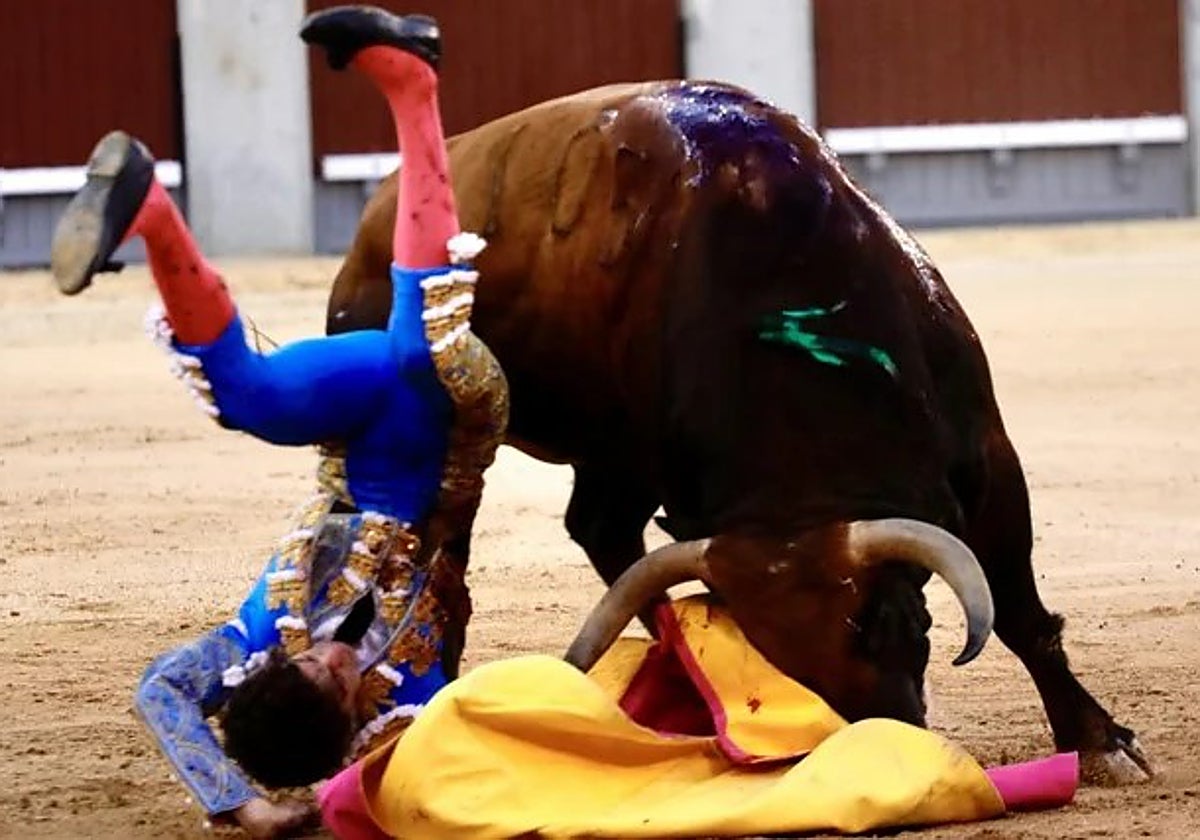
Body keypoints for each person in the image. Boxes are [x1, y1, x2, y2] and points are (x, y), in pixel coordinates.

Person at [49, 7, 507, 838]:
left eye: (306, 664)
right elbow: (412, 782)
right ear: (347, 726)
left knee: (247, 401)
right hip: (449, 426)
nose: (333, 661)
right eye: (335, 685)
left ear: (273, 663)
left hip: (352, 431)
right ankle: (414, 87)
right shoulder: (406, 706)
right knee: (423, 351)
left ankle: (151, 208)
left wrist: (240, 803)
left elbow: (160, 689)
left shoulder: (257, 638)